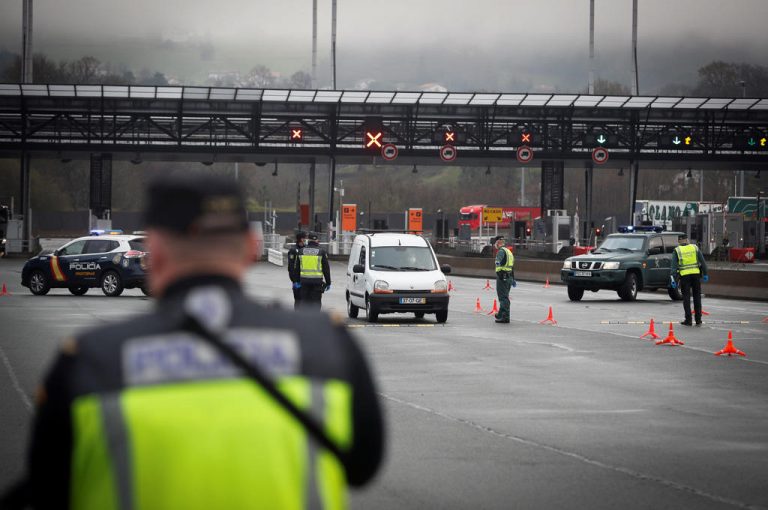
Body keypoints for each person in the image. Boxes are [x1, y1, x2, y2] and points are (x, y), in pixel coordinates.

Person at [9, 174, 384, 510]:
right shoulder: (328, 347)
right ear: (250, 247)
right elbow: (363, 469)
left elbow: (50, 491)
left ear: (153, 252)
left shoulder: (88, 362)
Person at [670, 232, 708, 326]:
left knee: (686, 298)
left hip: (685, 277)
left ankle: (688, 320)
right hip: (696, 275)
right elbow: (703, 263)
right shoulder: (695, 248)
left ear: (679, 241)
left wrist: (673, 279)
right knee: (697, 297)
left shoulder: (677, 250)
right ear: (687, 240)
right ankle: (698, 319)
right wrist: (705, 274)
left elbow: (673, 268)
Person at [298, 231, 331, 308]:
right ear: (317, 240)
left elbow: (296, 268)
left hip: (304, 281)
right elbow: (326, 269)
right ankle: (315, 319)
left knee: (304, 302)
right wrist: (328, 282)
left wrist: (296, 280)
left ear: (308, 240)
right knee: (316, 302)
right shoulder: (321, 252)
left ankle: (303, 319)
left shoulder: (301, 251)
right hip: (317, 282)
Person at [492, 235, 516, 324]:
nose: (494, 245)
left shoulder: (501, 252)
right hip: (509, 276)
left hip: (502, 277)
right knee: (505, 296)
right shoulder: (508, 251)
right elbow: (512, 266)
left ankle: (505, 316)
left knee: (503, 297)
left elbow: (498, 263)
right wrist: (513, 279)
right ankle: (501, 314)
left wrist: (499, 274)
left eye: (495, 243)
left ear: (498, 242)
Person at [287, 230, 307, 309]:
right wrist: (294, 281)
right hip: (297, 279)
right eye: (304, 238)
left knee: (305, 301)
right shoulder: (293, 250)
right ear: (300, 239)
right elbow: (290, 267)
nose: (305, 239)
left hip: (305, 278)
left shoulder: (306, 249)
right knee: (298, 300)